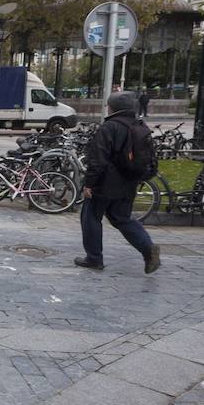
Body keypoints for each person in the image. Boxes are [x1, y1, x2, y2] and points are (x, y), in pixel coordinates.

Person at [76, 91, 160, 274]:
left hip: (105, 184)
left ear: (112, 107)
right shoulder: (139, 125)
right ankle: (147, 247)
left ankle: (94, 258)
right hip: (129, 182)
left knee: (90, 217)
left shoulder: (109, 127)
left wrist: (89, 184)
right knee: (122, 218)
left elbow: (98, 160)